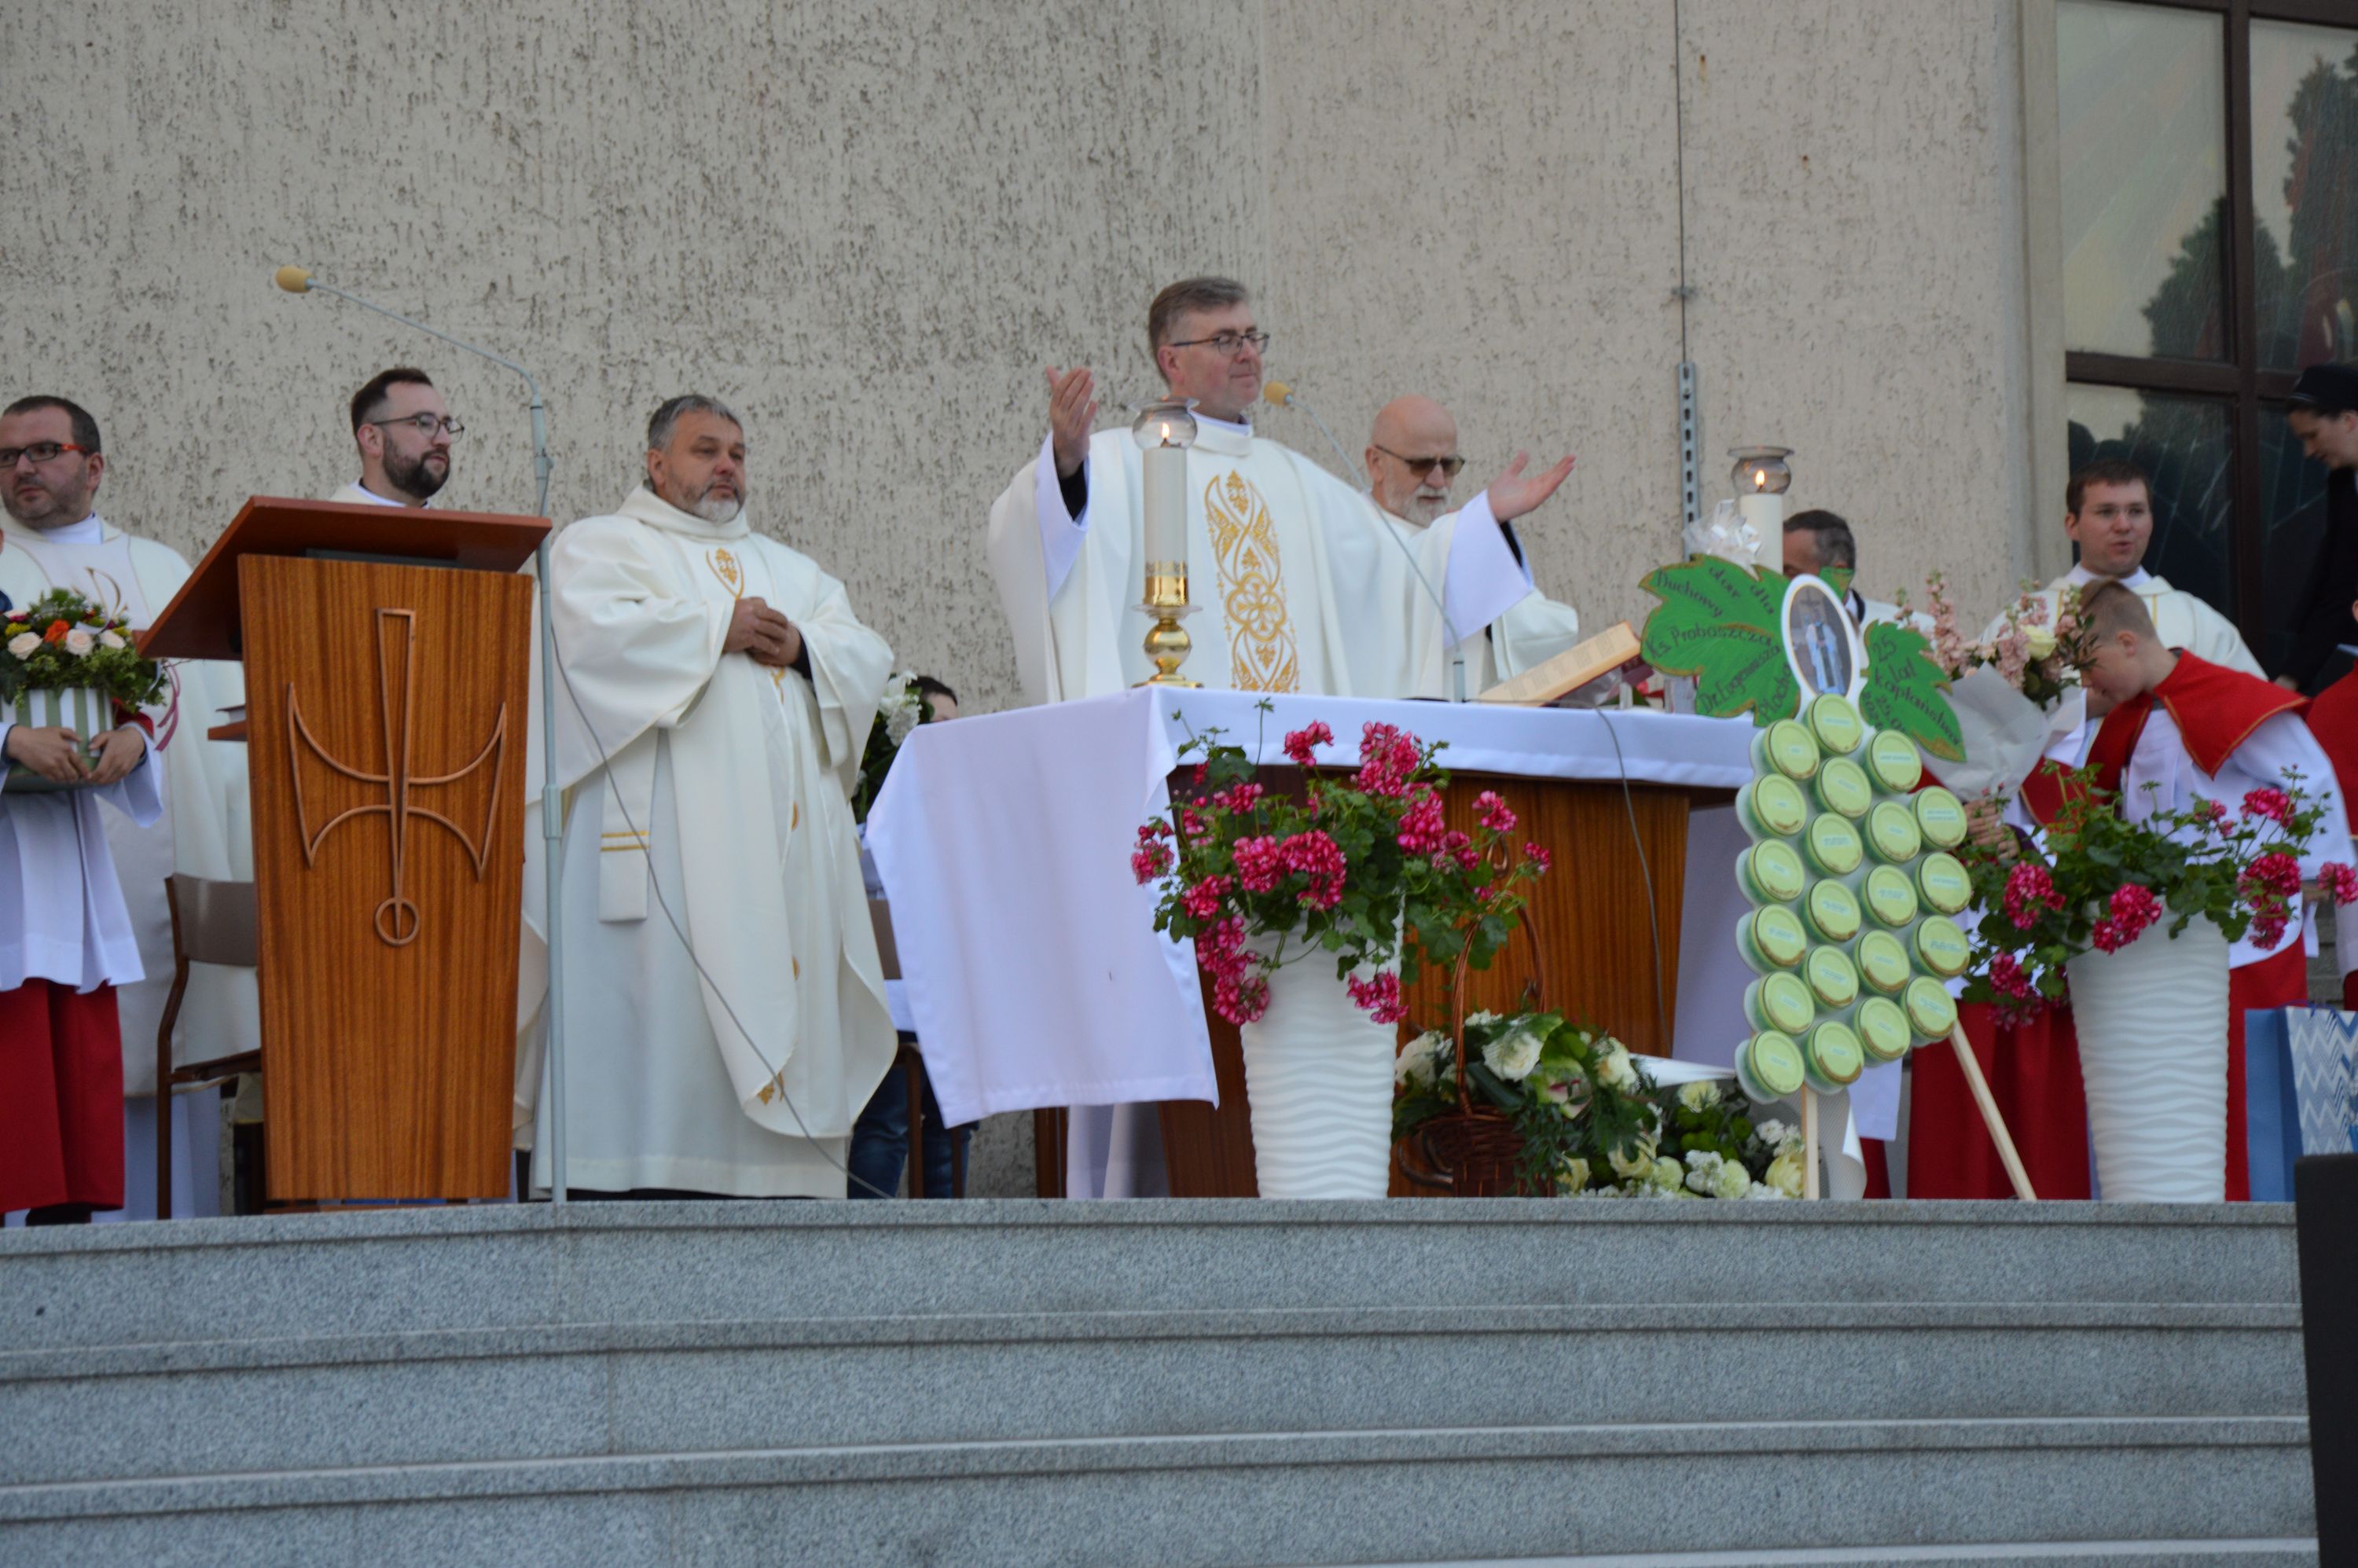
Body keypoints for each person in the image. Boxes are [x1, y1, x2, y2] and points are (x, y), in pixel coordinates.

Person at [523, 395, 898, 1199]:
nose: (727, 465)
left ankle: (780, 1185)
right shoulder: (602, 547)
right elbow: (584, 640)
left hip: (782, 867)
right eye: (705, 450)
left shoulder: (793, 572)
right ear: (656, 464)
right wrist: (713, 630)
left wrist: (803, 647)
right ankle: (642, 1176)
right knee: (667, 1029)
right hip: (666, 857)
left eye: (737, 452)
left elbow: (863, 652)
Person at [986, 277, 1575, 703]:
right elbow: (1034, 539)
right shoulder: (1117, 460)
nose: (1247, 353)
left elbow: (1406, 574)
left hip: (1299, 764)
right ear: (1172, 361)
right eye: (1225, 340)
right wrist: (1066, 463)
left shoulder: (1295, 478)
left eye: (1252, 336)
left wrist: (1484, 520)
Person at [0, 395, 253, 1219]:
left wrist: (139, 740)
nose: (23, 469)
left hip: (137, 837)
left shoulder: (161, 565)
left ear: (95, 465)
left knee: (137, 1016)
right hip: (28, 846)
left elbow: (183, 691)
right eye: (8, 457)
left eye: (43, 450)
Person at [0, 602, 165, 1221]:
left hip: (66, 868)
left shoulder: (23, 625)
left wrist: (133, 741)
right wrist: (11, 740)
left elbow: (119, 714)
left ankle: (67, 1244)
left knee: (69, 1062)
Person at [1361, 395, 1584, 691]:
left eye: (1449, 465)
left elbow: (1533, 631)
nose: (1438, 481)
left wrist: (1485, 530)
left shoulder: (1459, 536)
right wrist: (1478, 522)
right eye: (1421, 464)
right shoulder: (1351, 535)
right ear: (1376, 463)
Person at [849, 675, 971, 1199]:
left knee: (954, 1127)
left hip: (952, 1002)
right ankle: (867, 1240)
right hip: (893, 1005)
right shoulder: (869, 815)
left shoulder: (962, 813)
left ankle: (947, 1239)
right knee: (888, 1125)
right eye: (937, 726)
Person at [2001, 460, 2264, 676]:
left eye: (2136, 511)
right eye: (2106, 512)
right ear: (2072, 525)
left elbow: (2249, 706)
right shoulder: (2023, 621)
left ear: (2151, 522)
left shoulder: (2197, 622)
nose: (2124, 526)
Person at [2279, 363, 2358, 695]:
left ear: (2349, 421)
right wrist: (2289, 681)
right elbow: (2341, 587)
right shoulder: (2343, 484)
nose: (2309, 452)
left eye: (2312, 436)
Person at [332, 368, 455, 509]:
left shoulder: (452, 523)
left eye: (447, 426)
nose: (445, 440)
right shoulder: (324, 522)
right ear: (373, 440)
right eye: (425, 423)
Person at [1780, 509, 1919, 628]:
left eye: (1790, 573)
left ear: (1837, 574)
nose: (1775, 580)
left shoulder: (1909, 632)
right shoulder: (1769, 636)